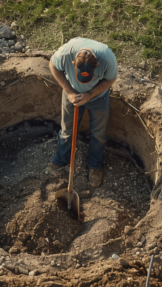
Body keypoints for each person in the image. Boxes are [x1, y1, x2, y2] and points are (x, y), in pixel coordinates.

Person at [46, 37, 118, 187]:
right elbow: (52, 65)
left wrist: (89, 95)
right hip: (70, 94)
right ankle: (60, 161)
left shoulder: (107, 58)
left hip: (97, 98)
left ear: (97, 65)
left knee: (98, 133)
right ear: (73, 64)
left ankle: (94, 166)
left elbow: (110, 80)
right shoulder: (66, 54)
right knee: (67, 130)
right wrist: (69, 91)